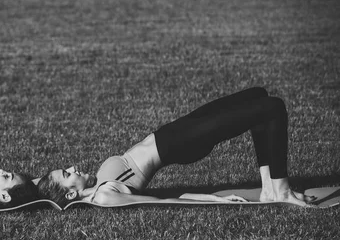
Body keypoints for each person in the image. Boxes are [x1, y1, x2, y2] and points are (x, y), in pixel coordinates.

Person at [38, 87, 313, 207]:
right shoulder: (104, 195)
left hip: (173, 132)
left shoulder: (93, 184)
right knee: (272, 108)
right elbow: (165, 202)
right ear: (72, 194)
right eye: (67, 173)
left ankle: (269, 186)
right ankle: (280, 190)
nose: (72, 167)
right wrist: (214, 200)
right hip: (180, 143)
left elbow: (37, 189)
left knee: (258, 95)